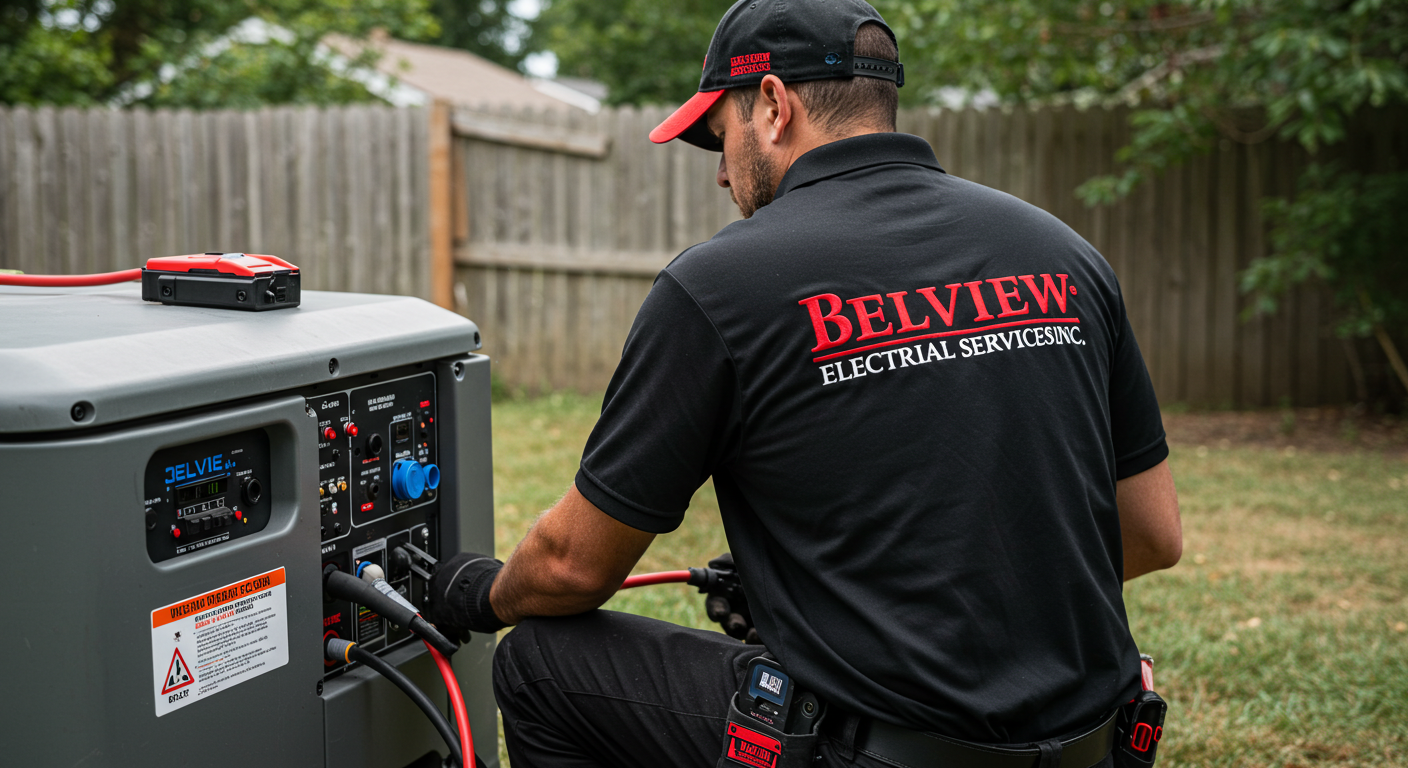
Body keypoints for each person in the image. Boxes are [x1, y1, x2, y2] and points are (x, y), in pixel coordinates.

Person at [428, 0, 1183, 766]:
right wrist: (838, 598)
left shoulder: (722, 287)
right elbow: (1153, 534)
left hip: (877, 754)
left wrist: (476, 593)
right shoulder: (1064, 253)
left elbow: (571, 566)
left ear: (773, 105)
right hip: (1098, 748)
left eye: (720, 138)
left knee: (541, 663)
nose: (721, 173)